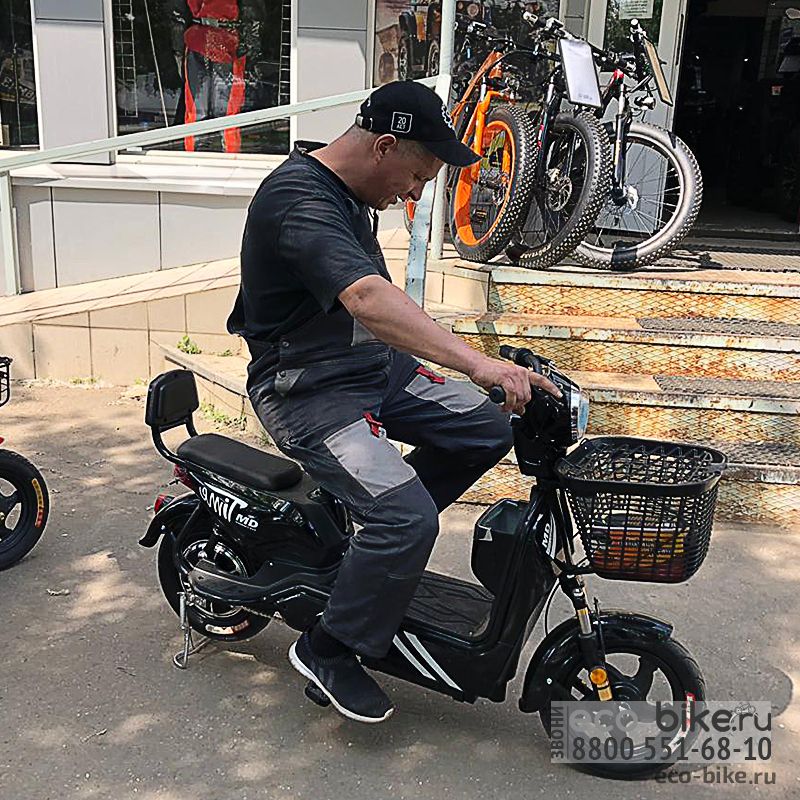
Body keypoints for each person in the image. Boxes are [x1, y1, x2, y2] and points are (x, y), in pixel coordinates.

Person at [227, 81, 560, 723]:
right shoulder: (299, 199)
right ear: (383, 146)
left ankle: (371, 541)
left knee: (487, 429)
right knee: (407, 519)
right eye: (417, 176)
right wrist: (479, 362)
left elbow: (384, 311)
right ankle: (328, 648)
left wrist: (482, 371)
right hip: (309, 390)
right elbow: (368, 299)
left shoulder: (353, 195)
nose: (414, 193)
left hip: (375, 369)